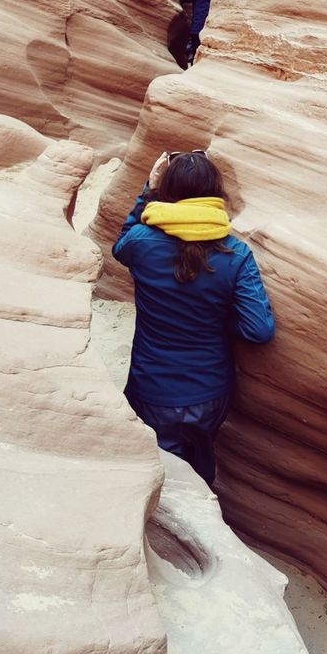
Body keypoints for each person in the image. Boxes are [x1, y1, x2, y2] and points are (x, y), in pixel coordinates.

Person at [112, 148, 274, 485]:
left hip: (152, 388)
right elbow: (258, 330)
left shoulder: (141, 242)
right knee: (199, 469)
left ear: (168, 191)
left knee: (156, 474)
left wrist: (148, 191)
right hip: (210, 392)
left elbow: (120, 246)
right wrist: (217, 316)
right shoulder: (237, 254)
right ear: (215, 194)